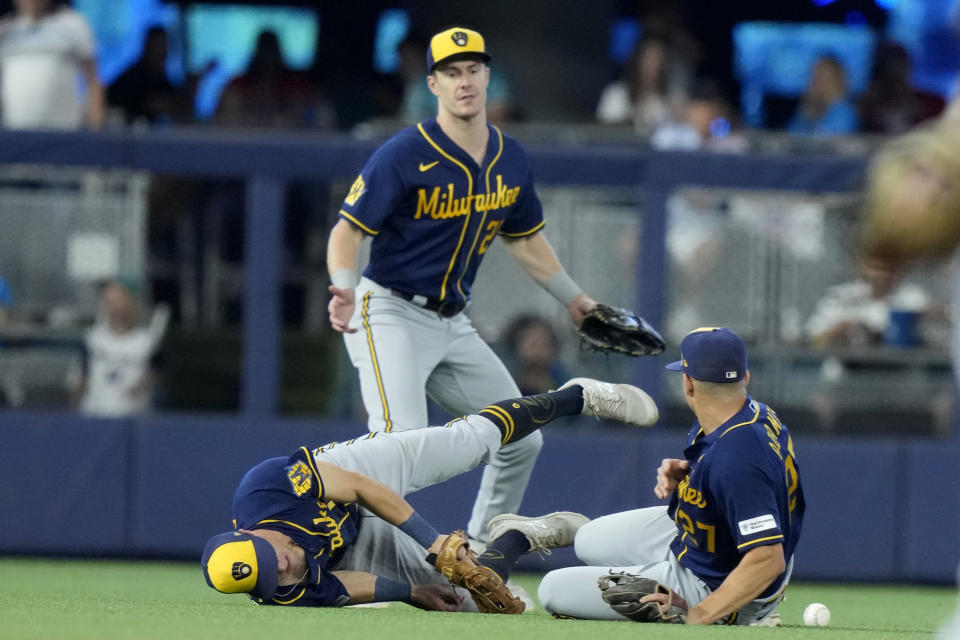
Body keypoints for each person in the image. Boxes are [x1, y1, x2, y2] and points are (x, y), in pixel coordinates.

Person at [326, 27, 609, 545]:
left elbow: (525, 241)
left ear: (487, 77)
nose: (465, 81)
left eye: (473, 70)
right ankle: (353, 560)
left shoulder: (510, 157)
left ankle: (478, 559)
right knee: (399, 444)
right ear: (432, 84)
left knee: (521, 439)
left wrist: (576, 300)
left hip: (451, 320)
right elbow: (347, 230)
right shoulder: (403, 153)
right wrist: (342, 286)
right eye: (452, 73)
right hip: (388, 309)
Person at [200, 378, 659, 608]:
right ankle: (521, 536)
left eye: (266, 554)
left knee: (469, 444)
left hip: (348, 477)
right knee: (465, 596)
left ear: (246, 533)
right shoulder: (279, 590)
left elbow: (363, 488)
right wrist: (411, 592)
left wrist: (433, 540)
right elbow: (338, 584)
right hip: (353, 546)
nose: (279, 565)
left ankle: (577, 396)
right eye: (266, 575)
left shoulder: (265, 490)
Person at [534, 328, 805, 626]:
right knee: (586, 540)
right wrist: (694, 476)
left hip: (718, 581)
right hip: (705, 538)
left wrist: (697, 613)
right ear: (746, 378)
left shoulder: (735, 456)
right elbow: (750, 481)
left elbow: (767, 559)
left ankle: (740, 613)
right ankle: (662, 573)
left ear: (688, 384)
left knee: (552, 589)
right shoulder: (755, 414)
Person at [68, 277, 169, 417]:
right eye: (109, 301)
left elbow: (156, 374)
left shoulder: (146, 342)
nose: (114, 307)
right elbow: (80, 378)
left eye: (119, 300)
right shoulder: (93, 339)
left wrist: (142, 384)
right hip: (94, 414)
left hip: (132, 419)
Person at [0, 0, 104, 130]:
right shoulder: (5, 29)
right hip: (15, 133)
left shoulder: (73, 23)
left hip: (63, 132)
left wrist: (95, 125)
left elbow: (93, 79)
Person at [216, 29, 330, 130]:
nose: (267, 57)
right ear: (256, 52)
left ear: (279, 52)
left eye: (271, 51)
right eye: (264, 50)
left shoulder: (299, 86)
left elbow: (324, 120)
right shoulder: (237, 85)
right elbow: (220, 122)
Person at [805, 256, 930, 347]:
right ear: (864, 268)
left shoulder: (914, 298)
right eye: (877, 268)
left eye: (888, 269)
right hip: (845, 373)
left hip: (894, 373)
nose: (882, 275)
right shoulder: (842, 296)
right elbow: (813, 337)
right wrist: (838, 332)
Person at [107, 26, 204, 126]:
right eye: (157, 46)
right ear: (147, 47)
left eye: (164, 47)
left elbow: (179, 105)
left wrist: (194, 84)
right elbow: (155, 103)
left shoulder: (161, 78)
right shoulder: (133, 78)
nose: (161, 52)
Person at [595, 36, 687, 137]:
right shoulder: (616, 93)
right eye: (648, 59)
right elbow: (604, 129)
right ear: (637, 62)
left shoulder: (674, 98)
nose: (653, 66)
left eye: (658, 60)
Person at [858, 41, 945, 135]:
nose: (896, 70)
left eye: (900, 63)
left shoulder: (934, 104)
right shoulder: (863, 106)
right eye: (888, 65)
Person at [786, 55, 858, 137]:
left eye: (826, 79)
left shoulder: (844, 113)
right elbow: (790, 137)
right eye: (816, 78)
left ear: (838, 81)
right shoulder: (809, 108)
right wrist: (808, 112)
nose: (818, 85)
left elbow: (825, 141)